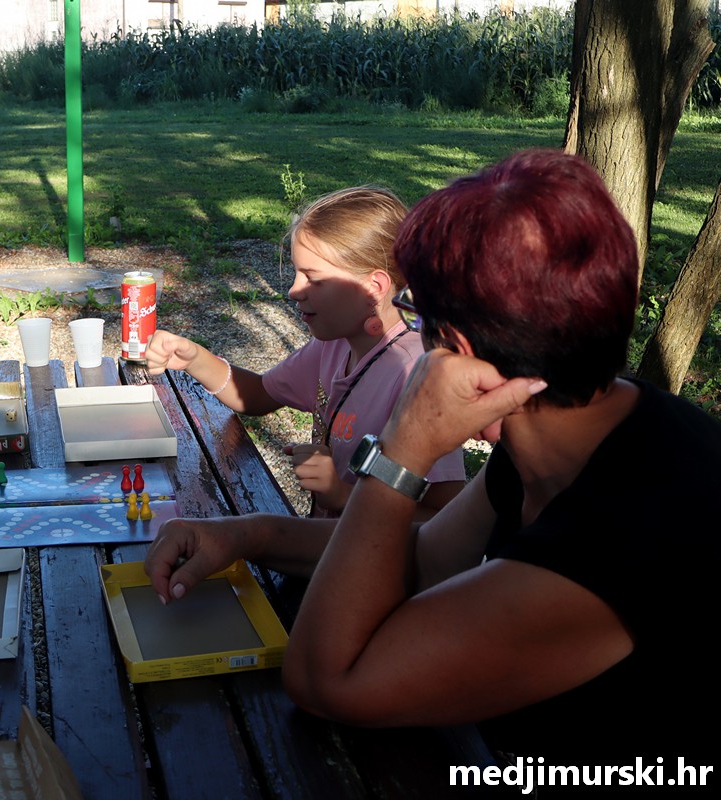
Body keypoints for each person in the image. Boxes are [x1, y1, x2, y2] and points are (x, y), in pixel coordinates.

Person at [145, 149, 720, 767]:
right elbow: (420, 558)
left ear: (459, 350)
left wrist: (404, 448)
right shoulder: (578, 427)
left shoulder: (626, 529)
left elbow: (324, 680)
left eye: (417, 313)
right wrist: (245, 535)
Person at [145, 186, 464, 518]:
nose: (294, 290)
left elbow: (445, 518)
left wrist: (343, 495)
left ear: (374, 287)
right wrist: (196, 359)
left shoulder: (416, 373)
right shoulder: (335, 344)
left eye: (314, 279)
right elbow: (258, 395)